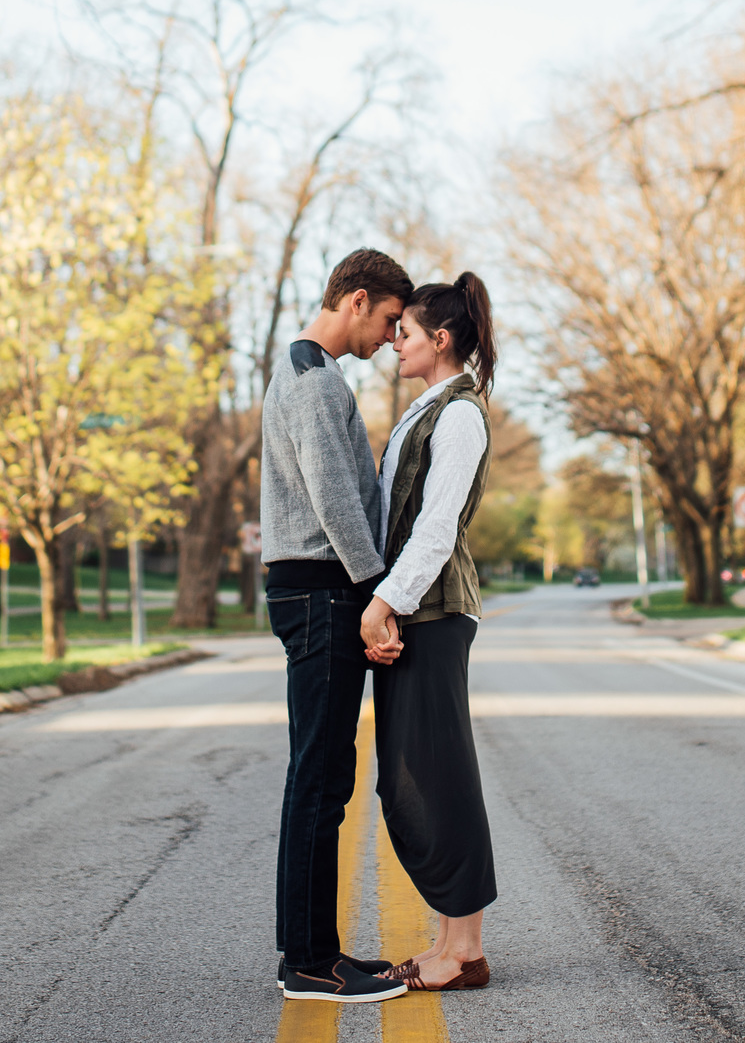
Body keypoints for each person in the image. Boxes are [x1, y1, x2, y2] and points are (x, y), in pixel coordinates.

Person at [262, 247, 416, 1005]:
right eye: (390, 319)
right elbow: (334, 501)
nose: (393, 336)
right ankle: (310, 966)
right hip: (324, 594)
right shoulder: (316, 381)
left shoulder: (300, 370)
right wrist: (377, 597)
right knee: (321, 781)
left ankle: (309, 950)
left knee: (317, 778)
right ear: (357, 300)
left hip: (315, 593)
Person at [362, 271, 501, 993]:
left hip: (436, 614)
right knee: (409, 780)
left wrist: (387, 601)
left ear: (439, 339)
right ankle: (449, 938)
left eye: (406, 333)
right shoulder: (428, 408)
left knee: (439, 776)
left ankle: (466, 949)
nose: (394, 343)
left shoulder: (460, 414)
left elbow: (436, 525)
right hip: (414, 612)